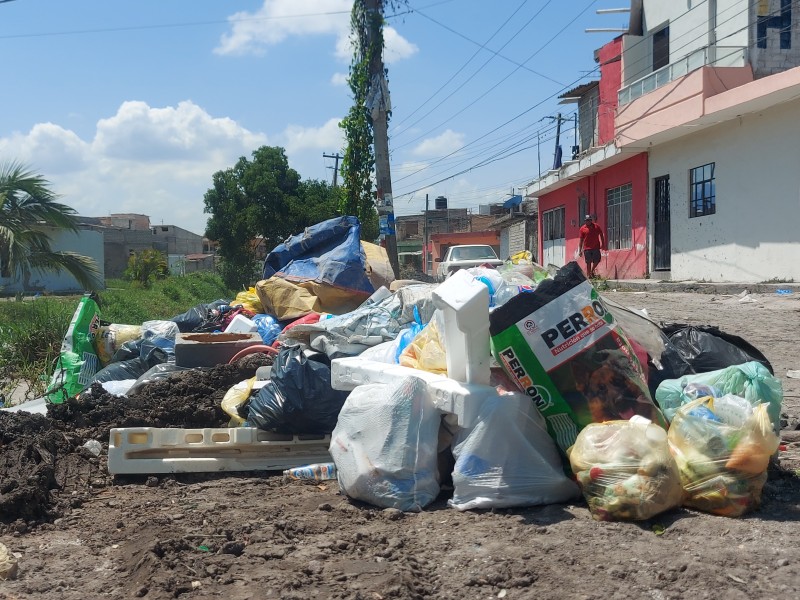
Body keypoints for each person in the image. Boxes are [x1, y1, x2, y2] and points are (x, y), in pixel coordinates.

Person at [578, 215, 605, 279]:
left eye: (589, 220)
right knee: (588, 262)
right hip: (587, 248)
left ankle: (592, 271)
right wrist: (580, 250)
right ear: (585, 221)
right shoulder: (582, 229)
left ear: (591, 220)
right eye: (587, 220)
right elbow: (581, 240)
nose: (588, 221)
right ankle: (588, 276)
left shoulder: (596, 226)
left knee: (597, 260)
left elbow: (601, 235)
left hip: (596, 247)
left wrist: (603, 244)